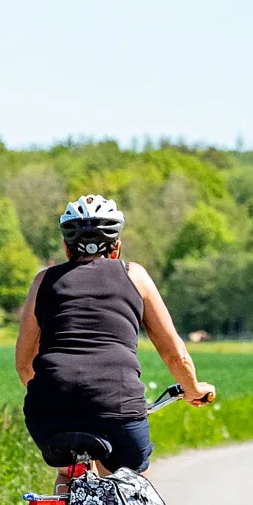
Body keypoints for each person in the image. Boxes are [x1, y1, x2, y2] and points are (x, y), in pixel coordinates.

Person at [14, 194, 214, 475]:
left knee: (69, 473)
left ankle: (64, 500)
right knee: (130, 483)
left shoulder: (43, 281)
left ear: (67, 249)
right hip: (118, 407)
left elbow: (24, 363)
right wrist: (193, 389)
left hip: (48, 413)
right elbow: (174, 354)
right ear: (116, 246)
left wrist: (58, 396)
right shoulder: (136, 276)